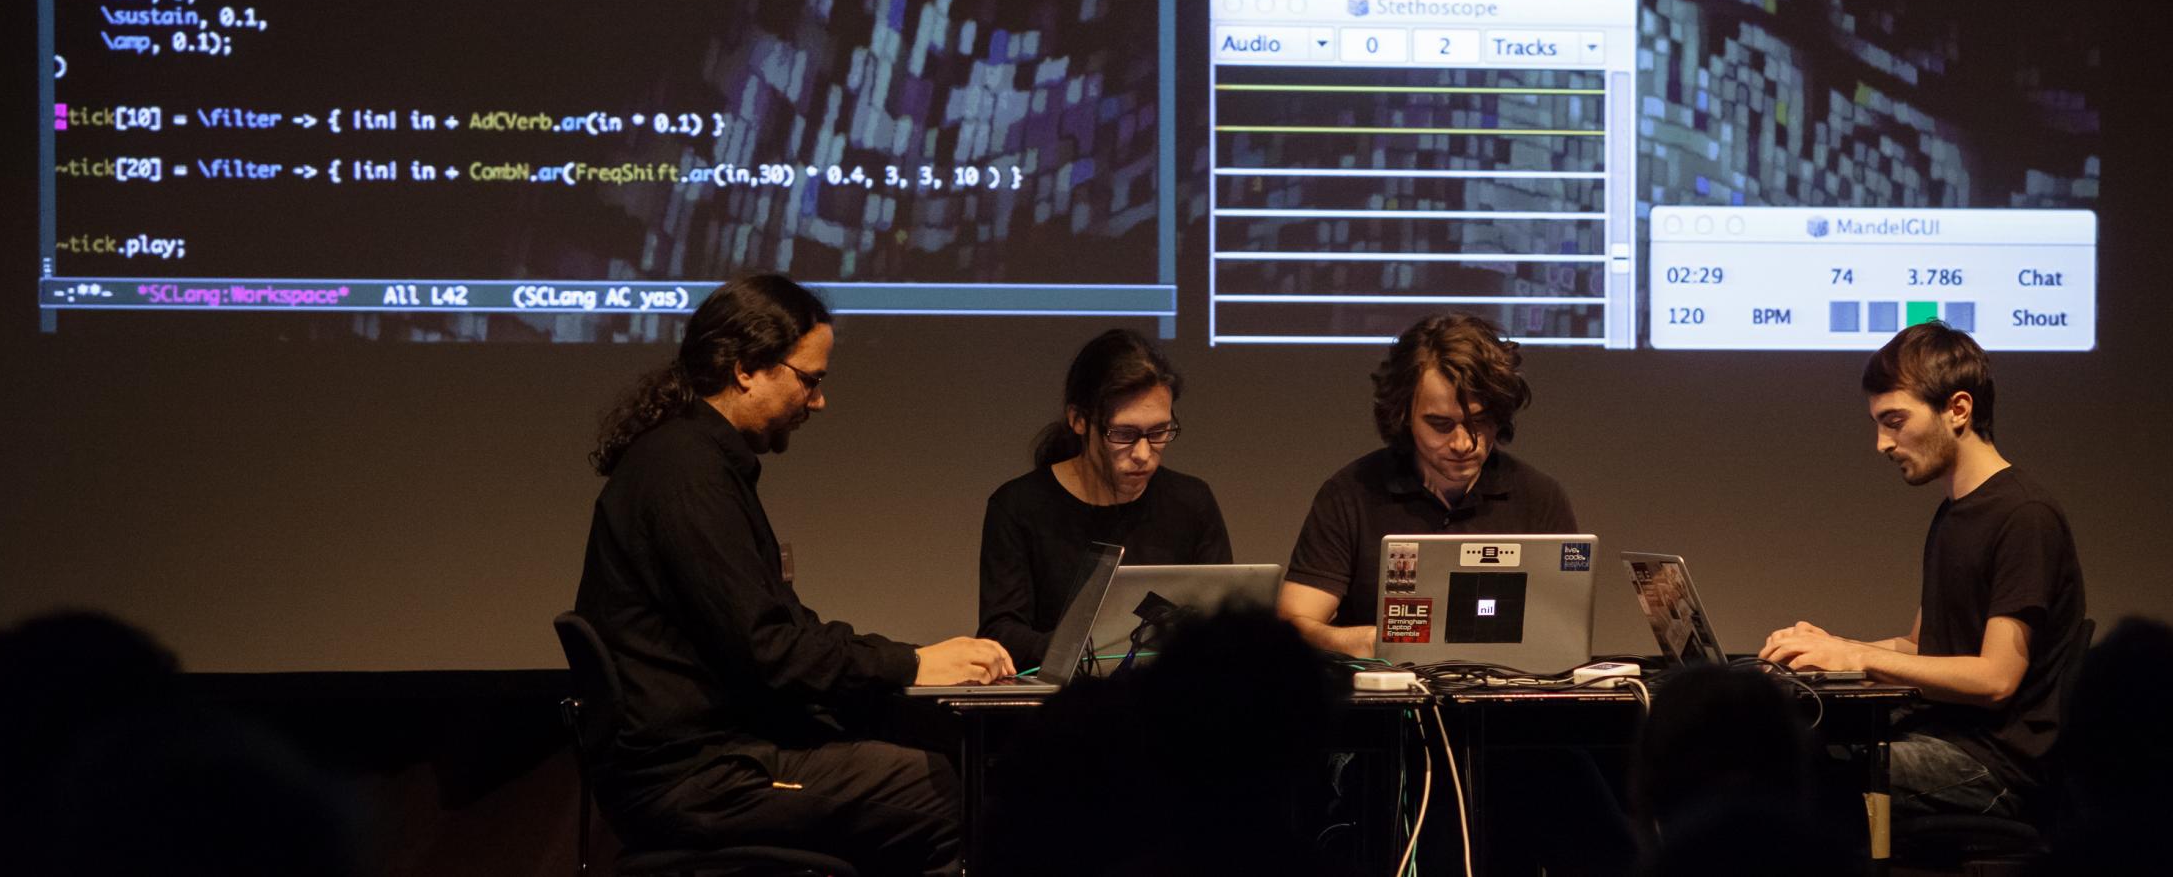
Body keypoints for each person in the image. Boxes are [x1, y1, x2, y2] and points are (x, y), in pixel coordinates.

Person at [572, 274, 1014, 877]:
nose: (819, 401)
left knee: (919, 750)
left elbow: (781, 631)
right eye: (810, 380)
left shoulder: (695, 461)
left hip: (711, 759)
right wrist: (912, 665)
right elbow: (771, 650)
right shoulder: (685, 476)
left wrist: (910, 661)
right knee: (942, 793)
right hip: (698, 777)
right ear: (747, 367)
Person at [1760, 320, 2086, 820]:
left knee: (1787, 778)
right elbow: (1919, 647)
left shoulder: (2024, 516)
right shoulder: (1955, 512)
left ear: (1958, 409)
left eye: (1894, 421)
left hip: (1991, 765)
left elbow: (1996, 677)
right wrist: (1829, 648)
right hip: (1941, 737)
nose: (1882, 444)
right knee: (1786, 747)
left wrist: (1854, 657)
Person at [1279, 313, 1578, 659]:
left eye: (1479, 422)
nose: (1465, 443)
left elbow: (1564, 635)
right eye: (1441, 425)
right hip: (1385, 706)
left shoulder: (1539, 498)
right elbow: (1292, 623)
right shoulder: (1351, 493)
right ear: (1403, 415)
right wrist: (1361, 642)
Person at [978, 329, 1231, 670]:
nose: (1143, 453)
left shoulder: (1191, 502)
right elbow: (1000, 633)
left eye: (1159, 432)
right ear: (1079, 420)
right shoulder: (1020, 506)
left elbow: (1223, 620)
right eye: (1124, 434)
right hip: (1061, 707)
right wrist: (1087, 651)